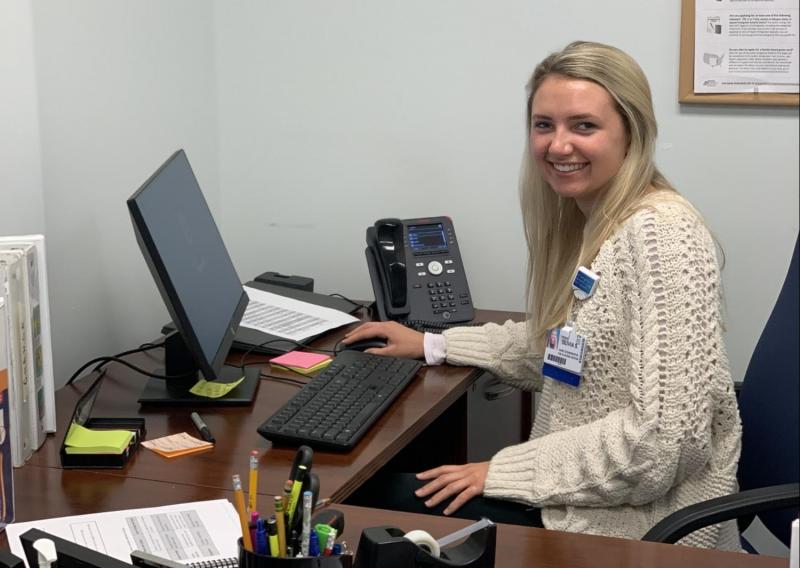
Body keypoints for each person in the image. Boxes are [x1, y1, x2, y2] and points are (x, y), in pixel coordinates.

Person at [343, 41, 742, 550]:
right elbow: (566, 350)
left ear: (632, 133)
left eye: (584, 126)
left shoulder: (662, 233)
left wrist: (502, 471)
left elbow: (663, 444)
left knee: (359, 507)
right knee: (382, 492)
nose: (558, 146)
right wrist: (434, 345)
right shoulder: (601, 220)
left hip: (634, 527)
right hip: (588, 499)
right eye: (543, 125)